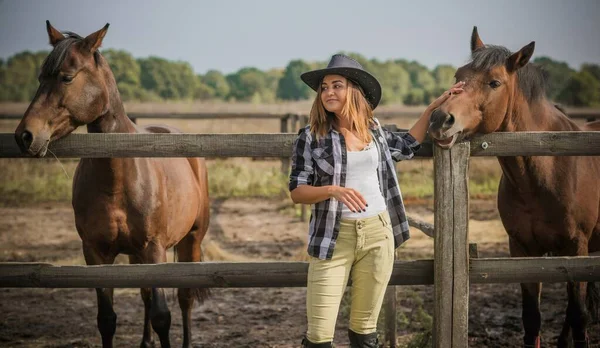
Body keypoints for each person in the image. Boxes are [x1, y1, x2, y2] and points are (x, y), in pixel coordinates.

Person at [289, 54, 465, 348]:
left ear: (354, 91)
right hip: (332, 238)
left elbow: (408, 143)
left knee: (365, 333)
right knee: (318, 337)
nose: (328, 93)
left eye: (336, 85)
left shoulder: (375, 133)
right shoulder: (311, 137)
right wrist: (333, 190)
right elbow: (297, 190)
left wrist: (435, 106)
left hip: (378, 235)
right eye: (323, 88)